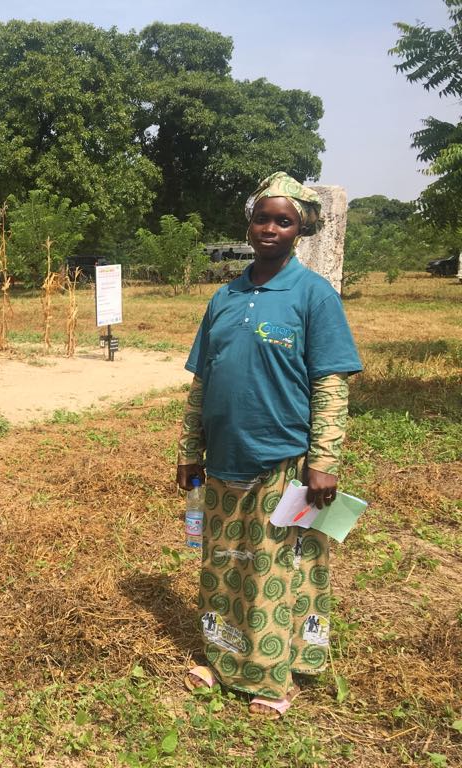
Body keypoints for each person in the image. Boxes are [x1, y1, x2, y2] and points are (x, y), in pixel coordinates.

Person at [176, 172, 362, 719]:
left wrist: (323, 462)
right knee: (222, 564)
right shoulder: (225, 297)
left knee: (274, 571)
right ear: (249, 223)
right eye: (263, 218)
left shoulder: (314, 297)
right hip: (221, 462)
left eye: (284, 220)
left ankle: (274, 676)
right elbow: (201, 383)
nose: (271, 229)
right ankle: (222, 657)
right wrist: (189, 449)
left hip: (282, 462)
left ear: (300, 229)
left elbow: (330, 384)